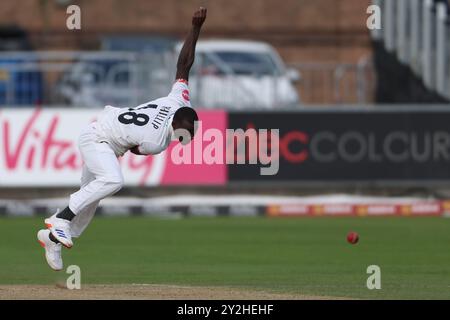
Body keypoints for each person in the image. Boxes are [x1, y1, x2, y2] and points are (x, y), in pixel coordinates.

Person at [37, 7, 208, 271]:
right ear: (175, 123)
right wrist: (122, 146)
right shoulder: (157, 142)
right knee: (113, 180)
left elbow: (184, 64)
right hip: (97, 138)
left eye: (190, 135)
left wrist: (195, 27)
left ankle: (52, 239)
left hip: (105, 138)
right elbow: (136, 150)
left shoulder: (178, 98)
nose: (185, 139)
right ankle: (60, 220)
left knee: (91, 198)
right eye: (184, 134)